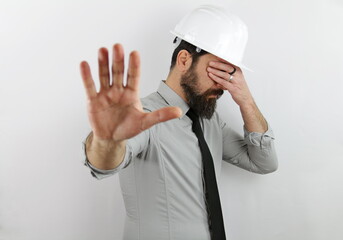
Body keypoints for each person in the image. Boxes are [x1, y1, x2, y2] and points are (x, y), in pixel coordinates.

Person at [80, 5, 278, 240]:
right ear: (184, 60)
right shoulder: (143, 117)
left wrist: (246, 100)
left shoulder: (211, 122)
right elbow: (104, 164)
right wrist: (107, 139)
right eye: (217, 70)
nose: (223, 84)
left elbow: (264, 162)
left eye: (230, 74)